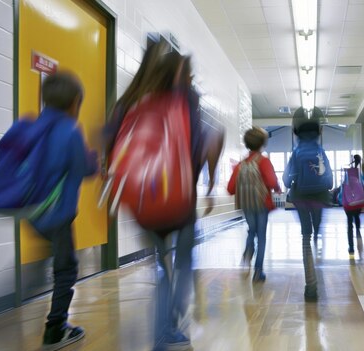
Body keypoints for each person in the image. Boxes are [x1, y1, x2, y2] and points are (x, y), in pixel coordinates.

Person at [105, 41, 222, 351]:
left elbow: (109, 146)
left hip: (141, 203)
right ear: (181, 75)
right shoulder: (186, 98)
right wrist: (206, 185)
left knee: (162, 265)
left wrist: (115, 193)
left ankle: (162, 331)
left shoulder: (129, 101)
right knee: (183, 263)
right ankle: (170, 324)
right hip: (179, 202)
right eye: (190, 74)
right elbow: (199, 143)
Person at [17, 72, 98, 350]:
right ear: (76, 102)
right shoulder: (71, 131)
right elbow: (85, 169)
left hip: (32, 213)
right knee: (66, 270)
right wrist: (94, 157)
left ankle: (28, 286)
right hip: (58, 215)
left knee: (43, 261)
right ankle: (55, 329)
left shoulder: (33, 126)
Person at [283, 109, 333, 301]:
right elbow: (329, 182)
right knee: (316, 228)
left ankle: (310, 286)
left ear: (297, 133)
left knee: (305, 236)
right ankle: (317, 234)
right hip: (320, 198)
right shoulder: (321, 152)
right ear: (318, 133)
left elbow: (287, 181)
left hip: (301, 198)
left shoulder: (296, 153)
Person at [227, 127, 280, 282]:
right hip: (262, 204)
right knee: (261, 236)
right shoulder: (264, 161)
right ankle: (258, 271)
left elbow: (230, 189)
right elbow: (271, 181)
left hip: (247, 204)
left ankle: (248, 251)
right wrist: (277, 189)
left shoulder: (240, 165)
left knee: (252, 230)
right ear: (263, 144)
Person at [343, 154, 363, 253]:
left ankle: (351, 247)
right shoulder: (360, 173)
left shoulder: (347, 172)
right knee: (357, 217)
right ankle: (358, 230)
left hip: (348, 202)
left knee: (349, 223)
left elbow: (344, 185)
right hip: (358, 201)